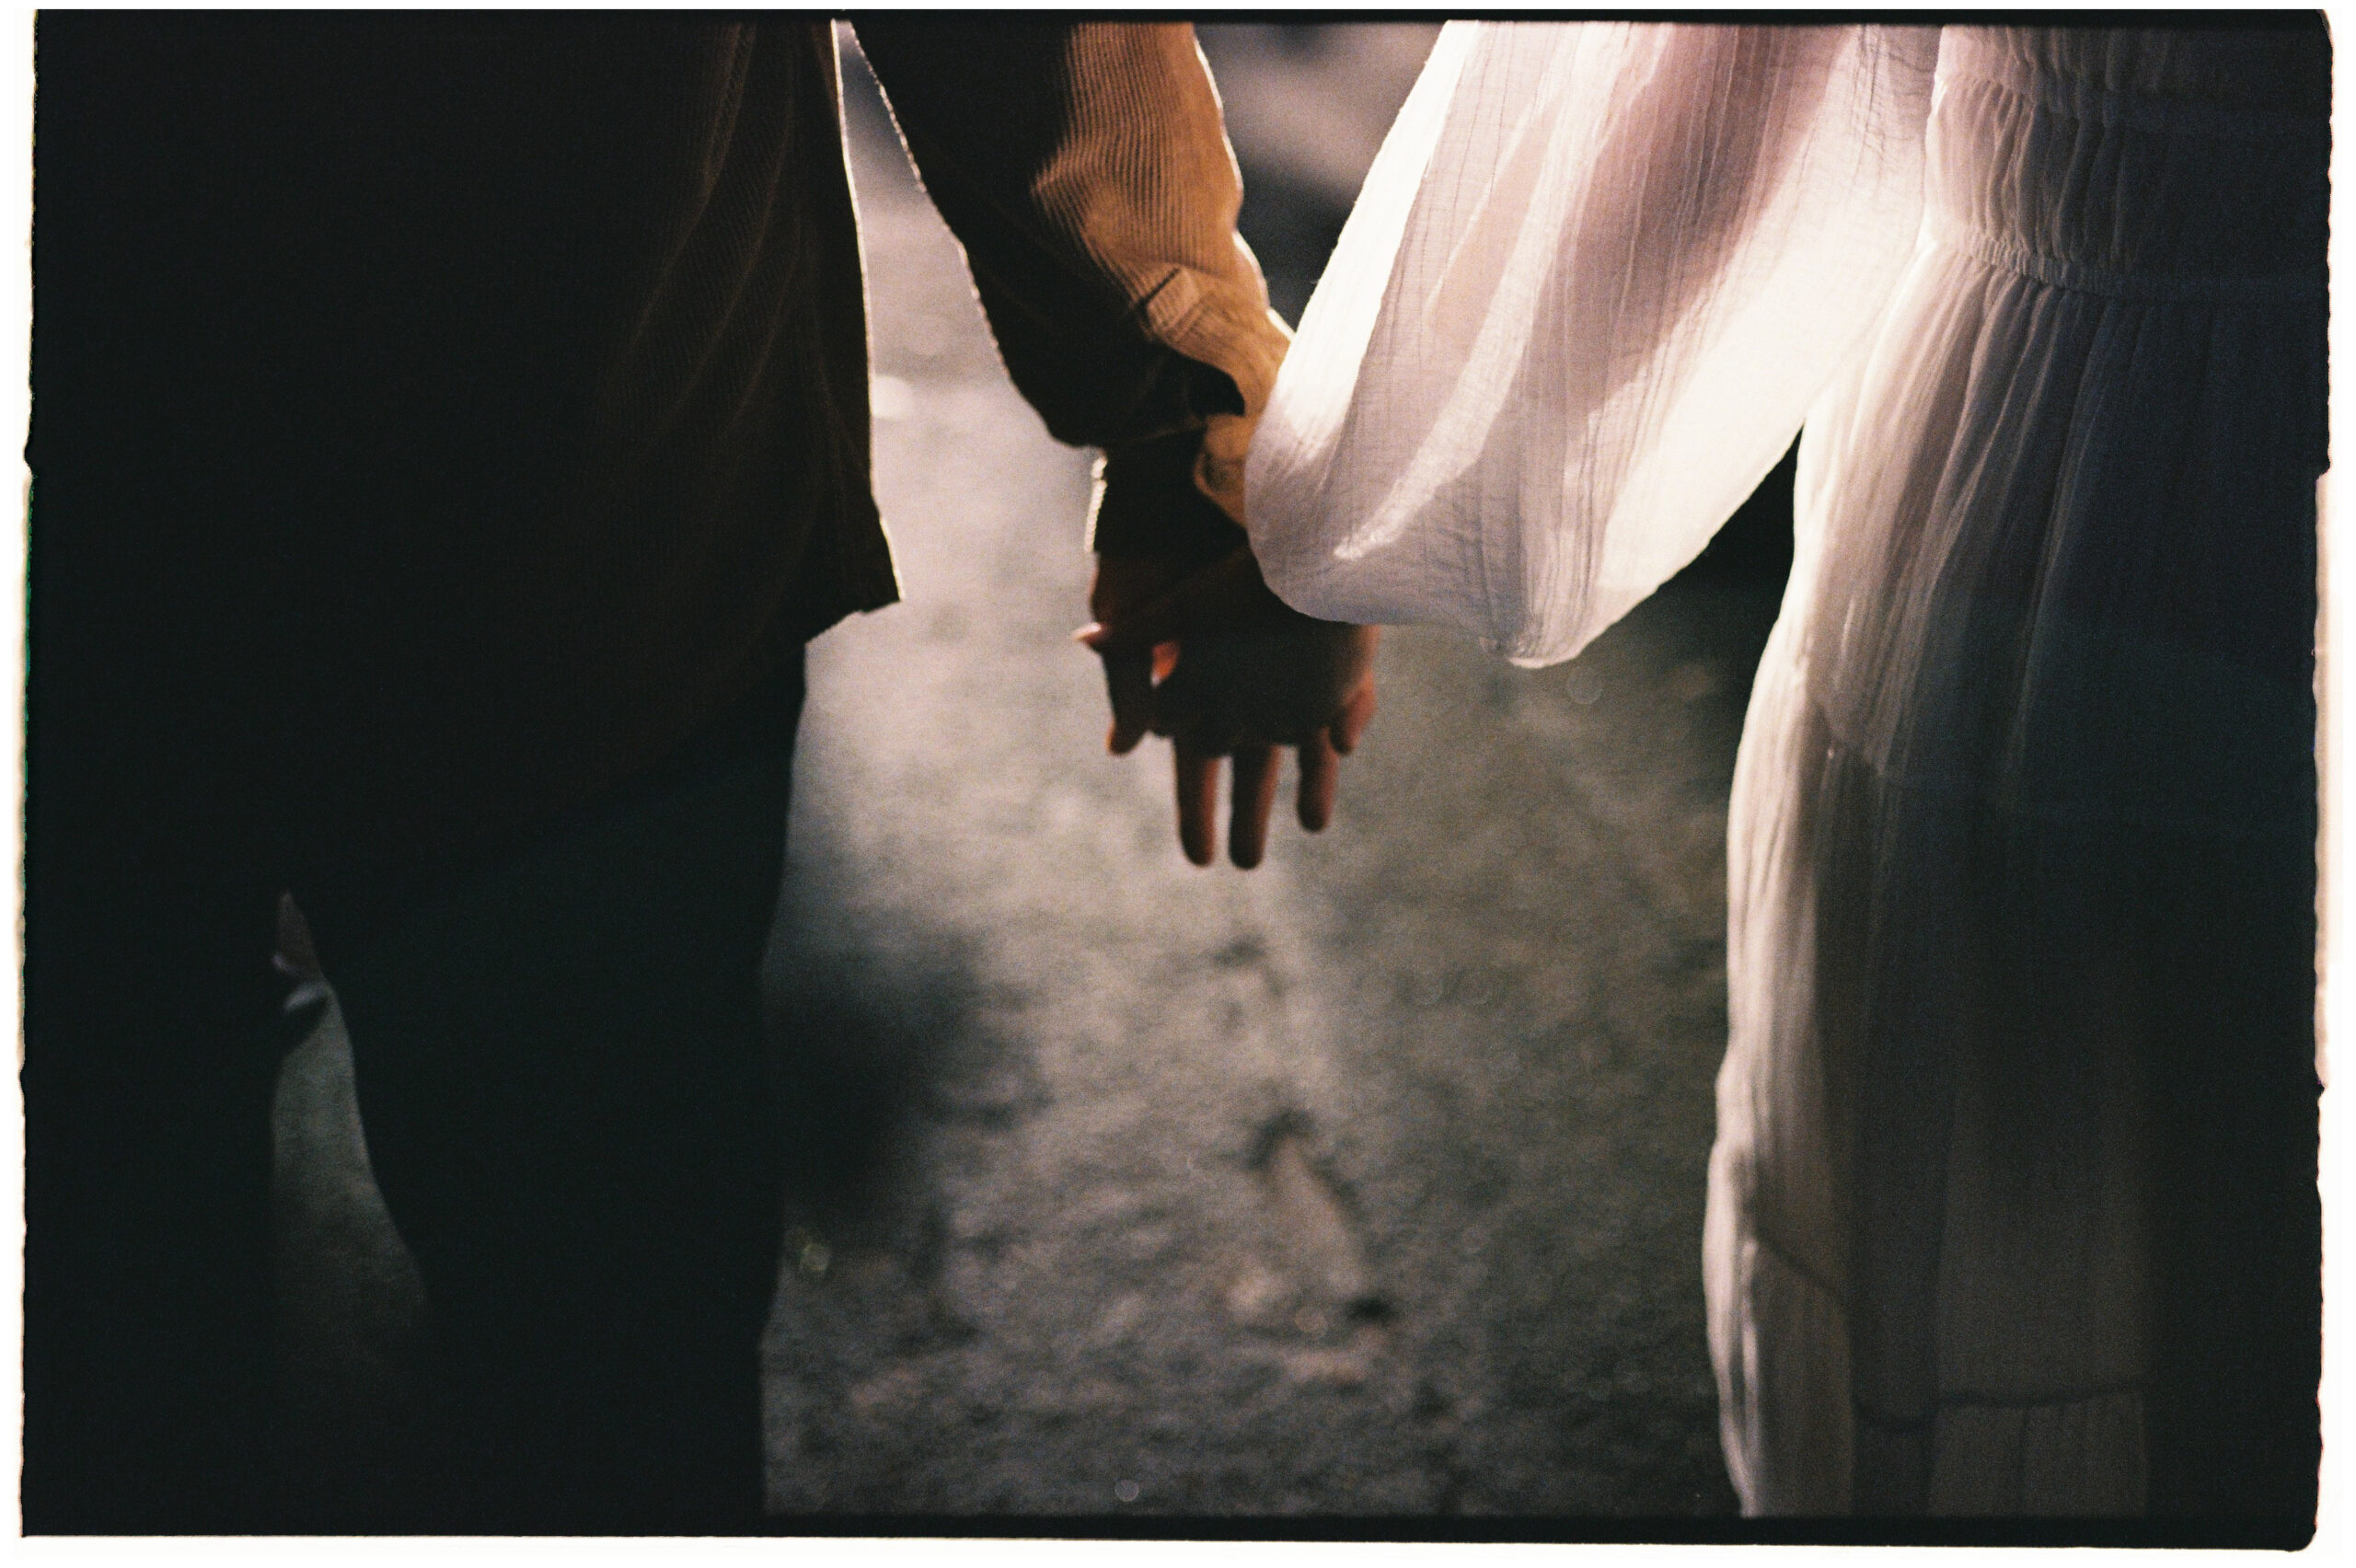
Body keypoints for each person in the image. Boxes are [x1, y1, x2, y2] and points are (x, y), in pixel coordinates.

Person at [26, 16, 1371, 1531]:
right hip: (572, 529)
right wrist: (1194, 422)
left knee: (97, 1358)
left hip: (295, 561)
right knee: (593, 1366)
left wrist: (1195, 423)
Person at [1120, 19, 2323, 1523]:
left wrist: (1334, 540)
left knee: (2069, 1208)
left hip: (2093, 508)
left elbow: (1719, 102)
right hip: (2111, 455)